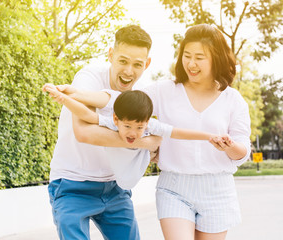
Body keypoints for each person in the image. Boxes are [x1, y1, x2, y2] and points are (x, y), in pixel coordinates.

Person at [47, 25, 158, 240]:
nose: (128, 71)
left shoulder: (141, 95)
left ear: (147, 64)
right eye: (123, 61)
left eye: (137, 64)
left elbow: (156, 139)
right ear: (110, 55)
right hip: (72, 185)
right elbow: (85, 133)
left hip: (114, 188)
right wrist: (140, 142)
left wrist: (147, 144)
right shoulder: (88, 78)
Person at [143, 24, 251, 240]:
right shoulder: (164, 91)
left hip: (217, 190)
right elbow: (126, 104)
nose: (191, 63)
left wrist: (230, 147)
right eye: (187, 55)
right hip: (174, 188)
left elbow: (242, 151)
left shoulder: (233, 100)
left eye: (199, 57)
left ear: (216, 59)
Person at [43, 85, 218, 190]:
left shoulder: (150, 125)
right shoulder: (113, 124)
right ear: (116, 119)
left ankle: (149, 155)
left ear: (147, 121)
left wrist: (209, 136)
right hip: (120, 175)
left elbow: (179, 132)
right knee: (146, 141)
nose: (133, 133)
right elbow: (87, 115)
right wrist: (63, 99)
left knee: (155, 141)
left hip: (137, 167)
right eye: (127, 126)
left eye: (139, 127)